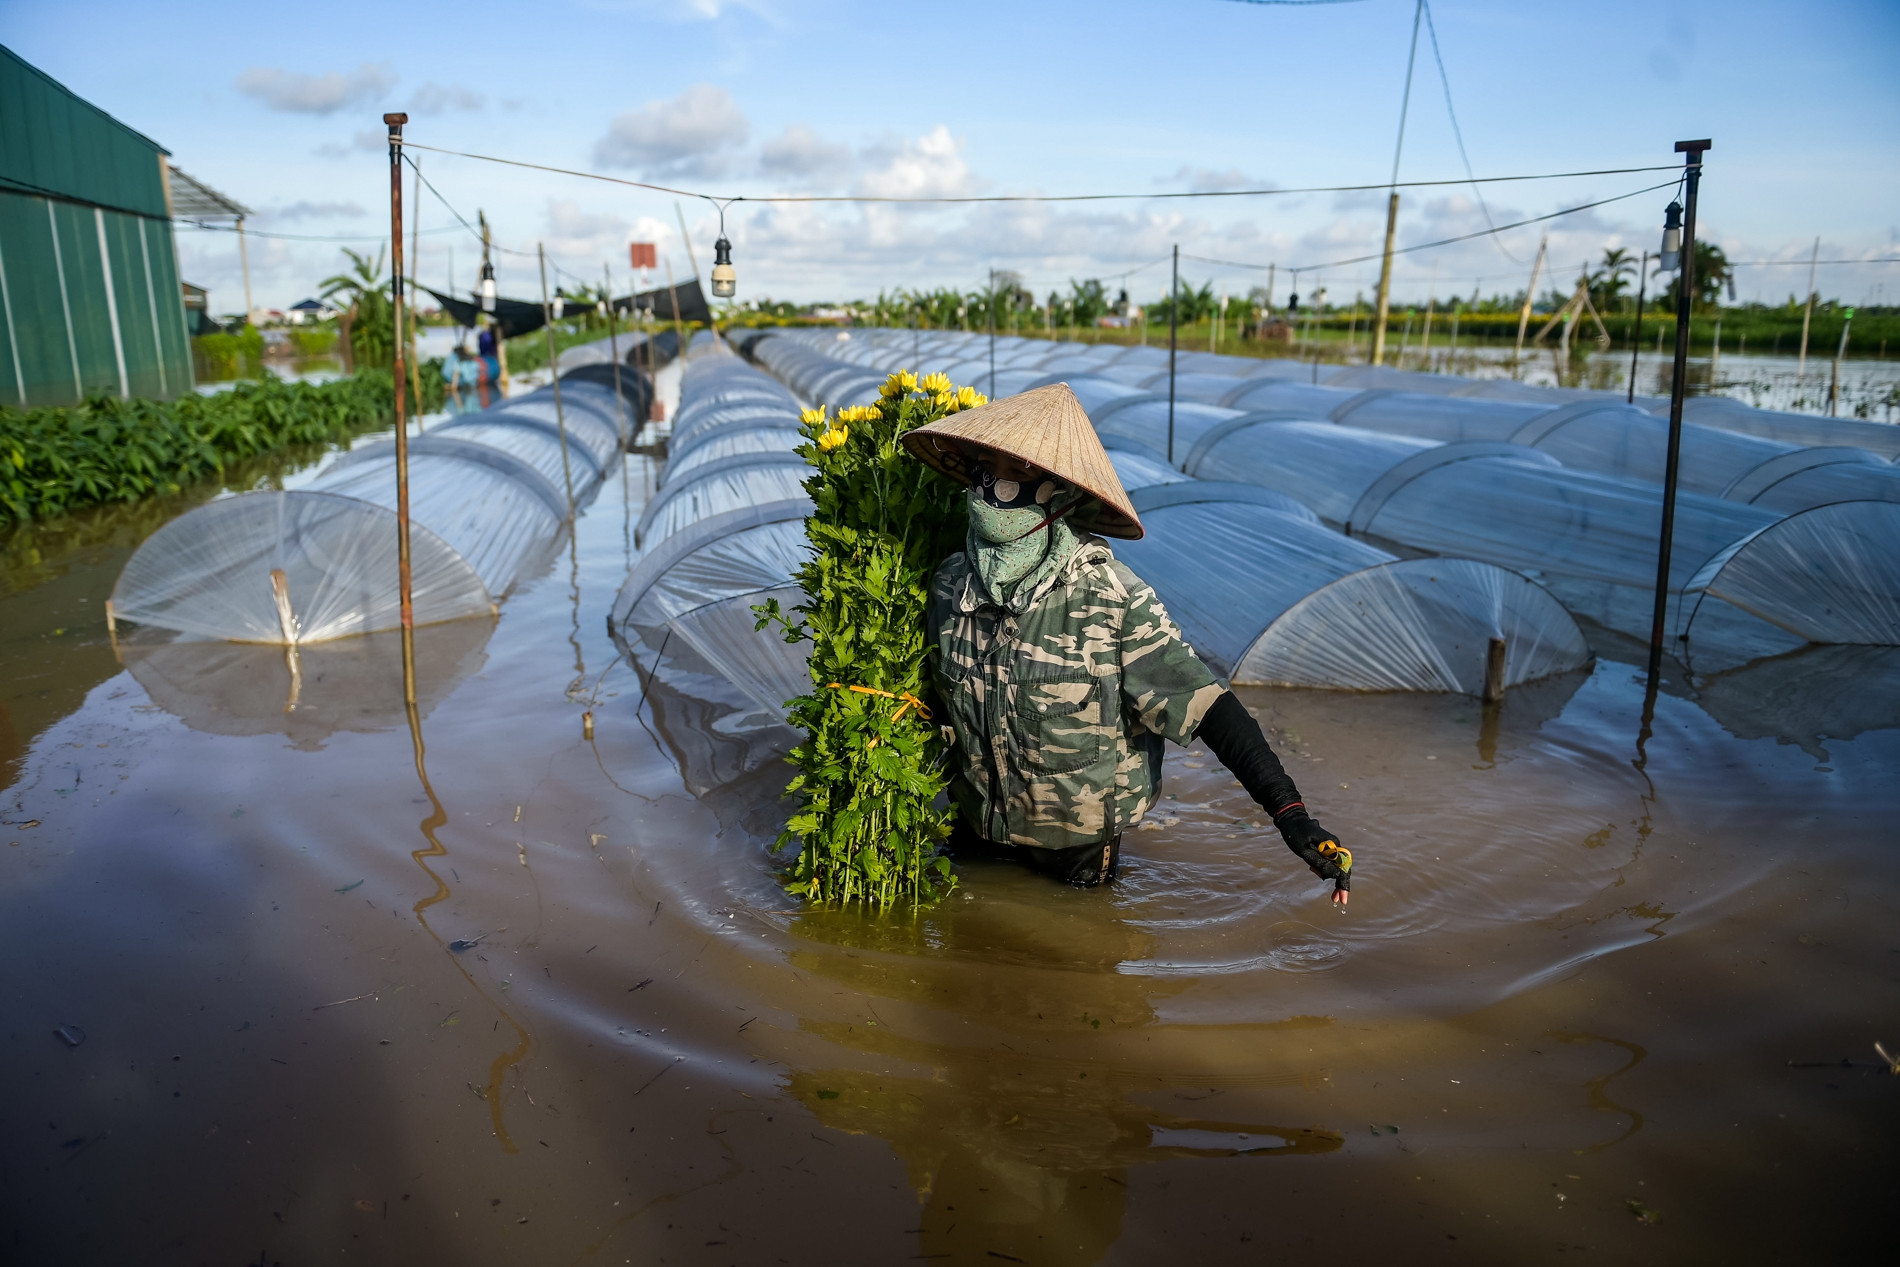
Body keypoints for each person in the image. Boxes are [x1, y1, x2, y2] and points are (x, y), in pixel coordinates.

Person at [904, 382, 1353, 903]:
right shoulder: (948, 585)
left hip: (1076, 848)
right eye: (988, 463)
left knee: (1081, 964)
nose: (995, 483)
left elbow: (1210, 711)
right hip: (977, 828)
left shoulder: (1112, 600)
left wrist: (1291, 816)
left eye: (1020, 471)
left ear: (1062, 493)